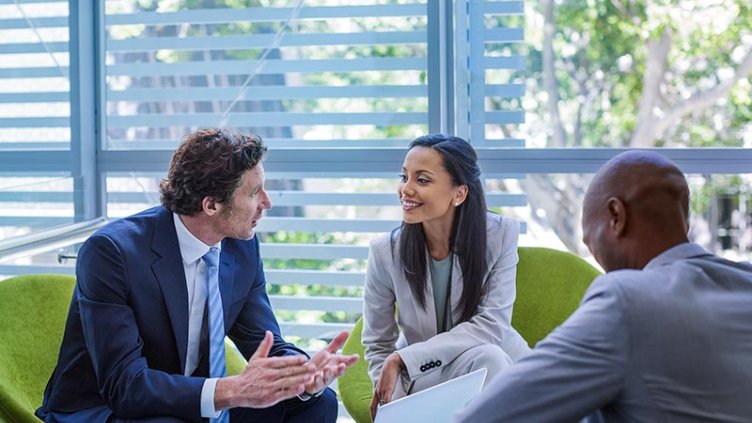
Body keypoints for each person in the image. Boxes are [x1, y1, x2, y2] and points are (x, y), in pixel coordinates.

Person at [36, 128, 358, 423]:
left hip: (192, 399)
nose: (267, 203)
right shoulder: (112, 254)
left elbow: (267, 344)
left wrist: (303, 375)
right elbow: (126, 386)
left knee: (318, 403)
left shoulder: (241, 248)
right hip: (106, 407)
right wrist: (230, 391)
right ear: (211, 205)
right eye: (254, 193)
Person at [455, 150, 752, 422]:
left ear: (616, 216)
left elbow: (489, 417)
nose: (596, 257)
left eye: (590, 238)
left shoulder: (627, 299)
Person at [362, 134, 531, 420]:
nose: (406, 189)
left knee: (489, 358)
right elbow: (378, 343)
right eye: (404, 177)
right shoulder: (385, 252)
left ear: (459, 193)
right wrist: (394, 404)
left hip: (496, 367)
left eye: (422, 180)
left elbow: (490, 326)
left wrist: (404, 358)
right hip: (427, 377)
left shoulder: (500, 236)